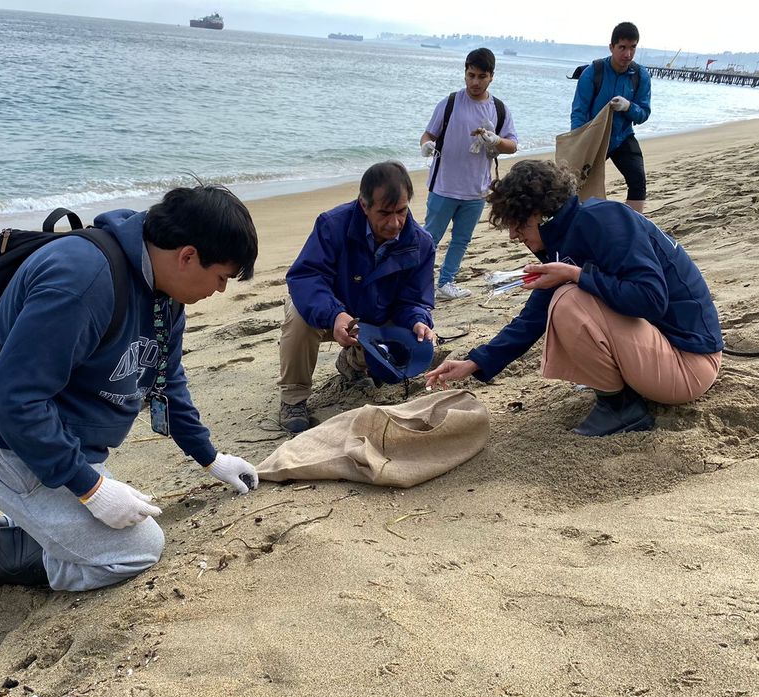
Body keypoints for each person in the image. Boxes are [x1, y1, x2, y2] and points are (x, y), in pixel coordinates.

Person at [0, 186, 261, 616]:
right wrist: (91, 487)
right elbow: (11, 399)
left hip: (57, 441)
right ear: (188, 256)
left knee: (103, 520)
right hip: (0, 440)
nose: (221, 290)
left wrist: (211, 458)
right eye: (221, 277)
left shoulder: (165, 294)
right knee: (137, 548)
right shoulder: (83, 279)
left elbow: (166, 382)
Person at [426, 160, 723, 437]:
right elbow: (534, 317)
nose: (513, 236)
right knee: (563, 298)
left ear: (540, 215)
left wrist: (576, 275)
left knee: (569, 301)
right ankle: (622, 396)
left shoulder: (603, 219)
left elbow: (651, 298)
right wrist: (476, 362)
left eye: (518, 224)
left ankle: (621, 408)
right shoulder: (568, 236)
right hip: (669, 354)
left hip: (689, 364)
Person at [278, 161, 436, 433]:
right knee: (299, 316)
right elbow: (305, 277)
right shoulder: (332, 225)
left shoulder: (420, 243)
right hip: (330, 311)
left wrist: (418, 320)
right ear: (364, 205)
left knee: (414, 336)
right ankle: (293, 397)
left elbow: (413, 300)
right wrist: (335, 314)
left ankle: (353, 364)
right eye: (384, 213)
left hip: (375, 316)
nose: (395, 223)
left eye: (401, 211)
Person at [420, 48, 518, 300]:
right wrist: (426, 146)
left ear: (491, 77)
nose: (475, 82)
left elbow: (512, 144)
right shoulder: (450, 103)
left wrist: (495, 139)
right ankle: (417, 284)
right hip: (443, 186)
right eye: (471, 75)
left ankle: (446, 283)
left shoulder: (498, 109)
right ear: (464, 73)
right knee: (429, 239)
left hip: (476, 189)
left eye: (481, 76)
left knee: (461, 240)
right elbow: (429, 134)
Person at [570, 21, 652, 214]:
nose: (627, 54)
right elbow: (579, 112)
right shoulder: (593, 72)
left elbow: (644, 114)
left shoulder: (640, 75)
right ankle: (572, 226)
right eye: (622, 47)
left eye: (633, 48)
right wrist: (579, 141)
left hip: (622, 137)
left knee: (638, 180)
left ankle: (635, 227)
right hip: (594, 138)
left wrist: (628, 106)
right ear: (611, 47)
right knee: (574, 186)